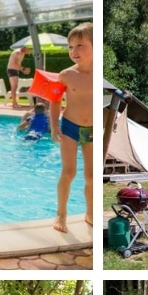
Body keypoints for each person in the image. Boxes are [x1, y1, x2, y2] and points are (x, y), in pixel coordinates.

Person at [50, 22, 93, 232]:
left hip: (92, 130)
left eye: (80, 45)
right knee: (69, 172)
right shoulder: (66, 75)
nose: (74, 51)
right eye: (70, 47)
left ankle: (90, 212)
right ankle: (61, 214)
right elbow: (55, 101)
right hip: (69, 127)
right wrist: (54, 126)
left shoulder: (99, 75)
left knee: (92, 177)